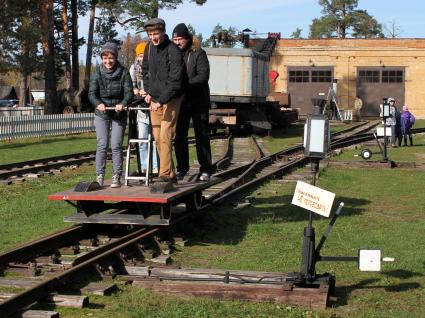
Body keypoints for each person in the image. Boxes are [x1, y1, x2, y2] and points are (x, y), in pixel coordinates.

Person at [141, 18, 184, 183]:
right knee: (158, 137)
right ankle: (171, 174)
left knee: (166, 135)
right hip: (155, 98)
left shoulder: (173, 50)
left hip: (172, 98)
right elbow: (145, 71)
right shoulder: (149, 47)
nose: (153, 37)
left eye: (156, 34)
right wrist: (149, 92)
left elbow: (176, 81)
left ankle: (164, 174)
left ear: (163, 32)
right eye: (150, 34)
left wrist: (162, 100)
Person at [89, 42, 133, 188]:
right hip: (102, 113)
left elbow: (129, 93)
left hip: (118, 113)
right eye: (105, 58)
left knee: (116, 145)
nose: (108, 61)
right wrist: (98, 103)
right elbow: (92, 93)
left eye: (111, 58)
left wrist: (123, 103)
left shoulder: (124, 72)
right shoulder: (98, 72)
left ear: (115, 57)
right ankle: (100, 175)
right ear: (102, 58)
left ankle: (117, 175)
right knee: (102, 145)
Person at [172, 23, 212, 182]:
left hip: (198, 102)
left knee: (201, 136)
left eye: (179, 39)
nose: (177, 42)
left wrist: (185, 86)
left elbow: (203, 76)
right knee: (179, 137)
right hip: (181, 102)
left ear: (187, 38)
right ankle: (182, 168)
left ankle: (206, 169)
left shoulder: (199, 53)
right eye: (174, 39)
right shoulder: (174, 54)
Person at [129, 42, 159, 174]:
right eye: (140, 55)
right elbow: (130, 85)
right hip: (140, 110)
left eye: (144, 55)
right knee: (142, 139)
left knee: (153, 140)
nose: (142, 58)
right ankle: (143, 166)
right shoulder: (133, 69)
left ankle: (155, 166)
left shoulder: (153, 67)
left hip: (153, 107)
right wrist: (136, 90)